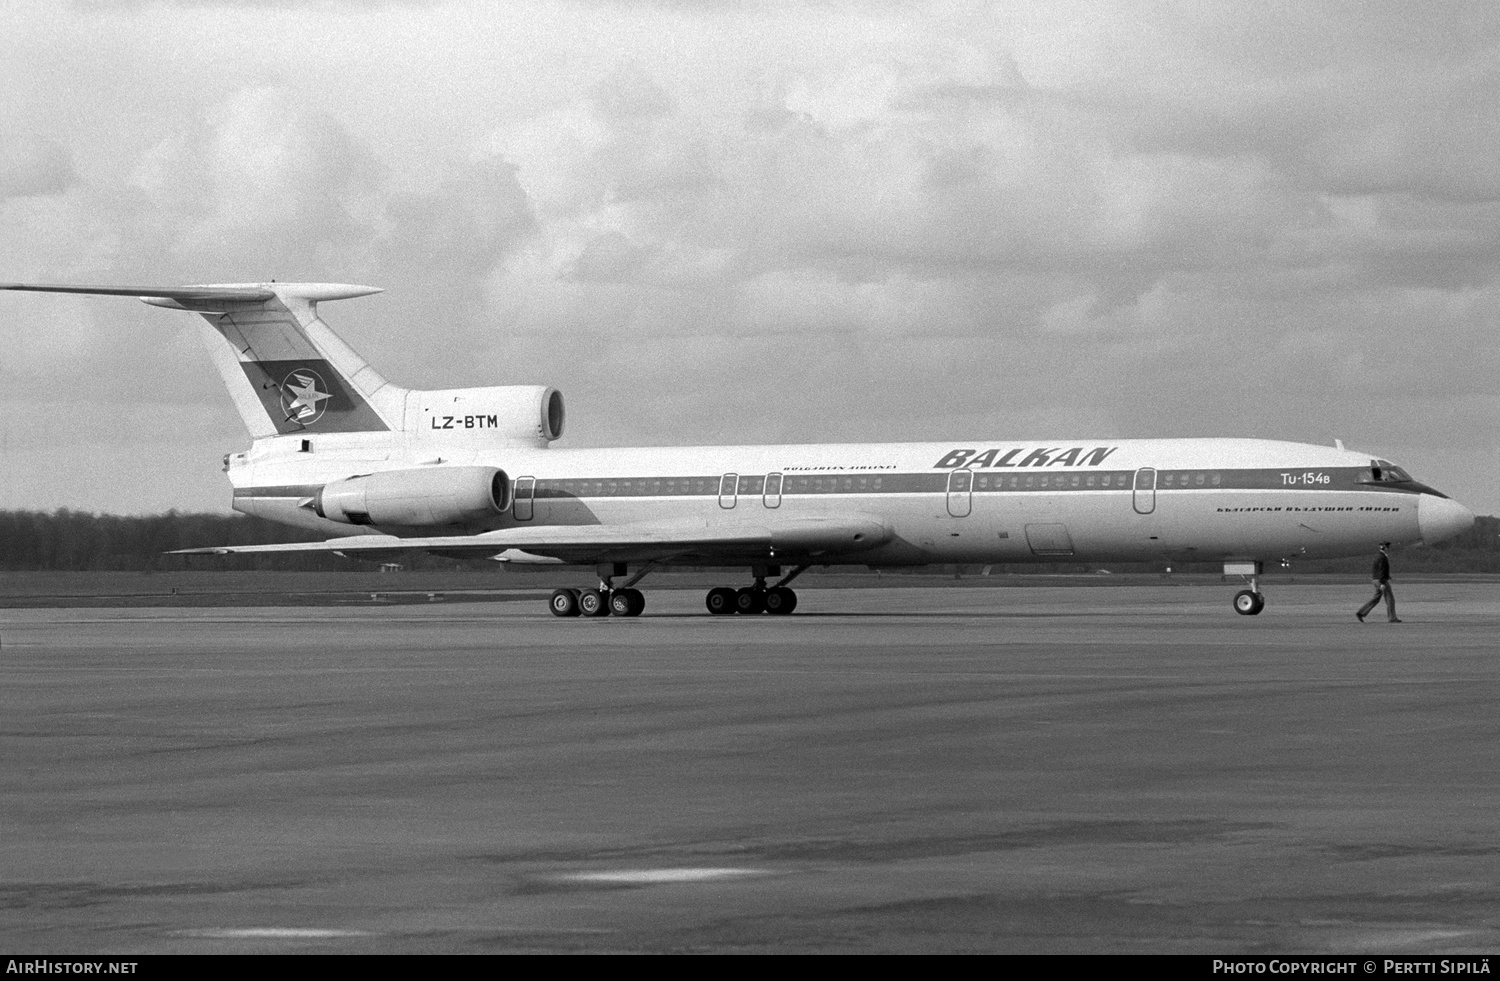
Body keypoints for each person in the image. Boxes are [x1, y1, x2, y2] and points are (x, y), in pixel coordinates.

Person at [1356, 542, 1401, 623]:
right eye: (1387, 547)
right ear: (1385, 548)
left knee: (1376, 598)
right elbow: (1382, 569)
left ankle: (1361, 612)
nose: (1388, 549)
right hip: (1381, 580)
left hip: (1376, 579)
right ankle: (1392, 618)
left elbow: (1377, 569)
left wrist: (1386, 577)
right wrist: (1382, 583)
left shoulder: (1378, 556)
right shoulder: (1383, 557)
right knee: (1390, 599)